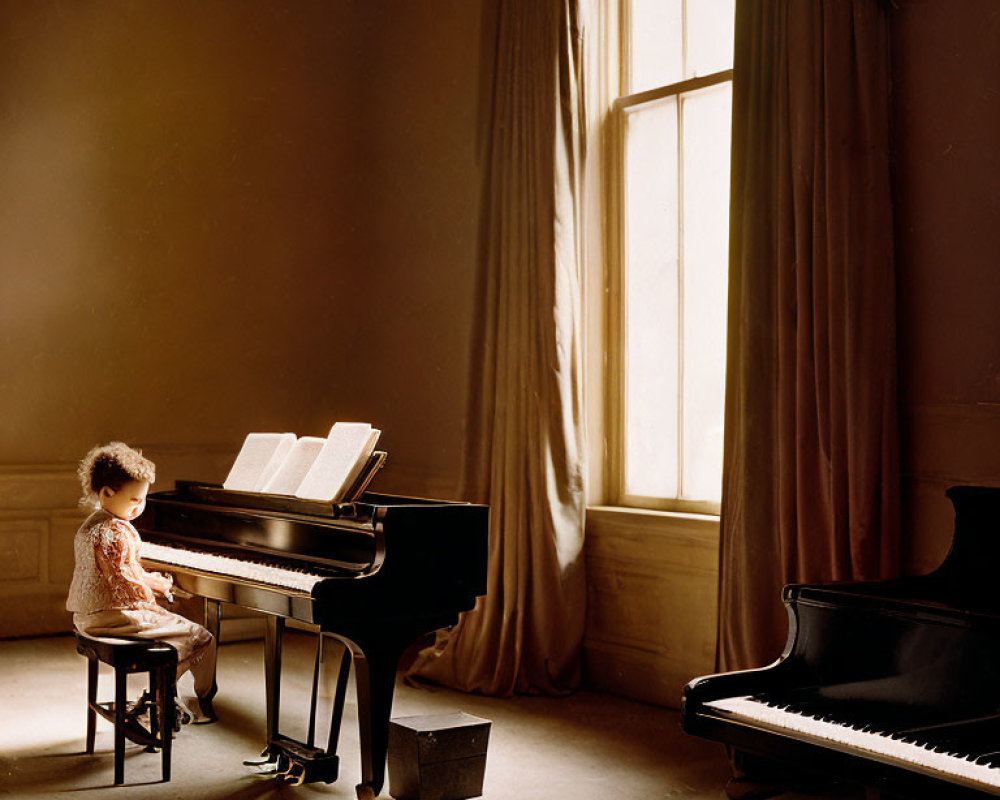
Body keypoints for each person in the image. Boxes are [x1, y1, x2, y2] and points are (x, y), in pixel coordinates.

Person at [66, 442, 217, 724]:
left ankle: (161, 698)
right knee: (199, 636)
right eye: (134, 500)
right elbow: (123, 583)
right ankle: (177, 700)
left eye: (143, 500)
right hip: (112, 619)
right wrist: (152, 592)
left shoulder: (92, 524)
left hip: (87, 617)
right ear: (107, 493)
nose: (139, 508)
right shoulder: (116, 531)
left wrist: (150, 581)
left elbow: (113, 572)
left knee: (169, 620)